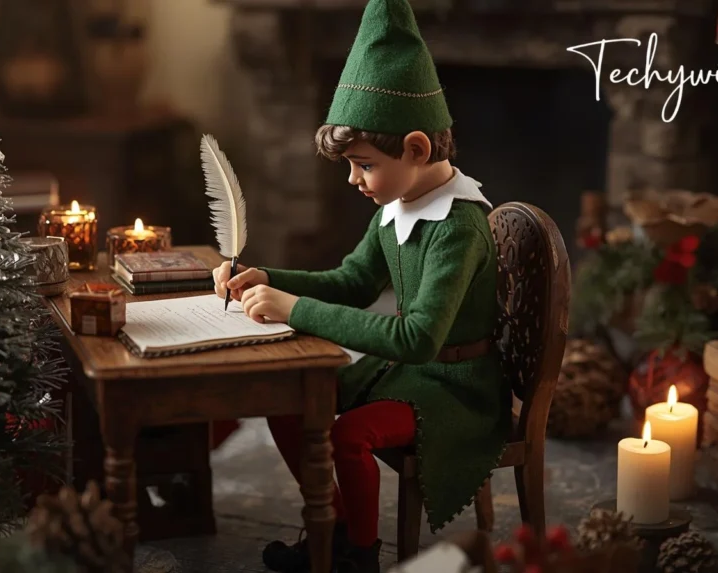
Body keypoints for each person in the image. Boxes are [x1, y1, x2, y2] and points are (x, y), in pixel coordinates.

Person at [213, 1, 511, 571]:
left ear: (417, 149)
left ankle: (358, 554)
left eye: (363, 164)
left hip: (455, 388)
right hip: (404, 372)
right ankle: (331, 526)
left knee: (349, 434)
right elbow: (352, 282)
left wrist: (294, 309)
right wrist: (268, 277)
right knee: (287, 401)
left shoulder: (457, 227)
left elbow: (419, 338)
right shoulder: (397, 206)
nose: (354, 178)